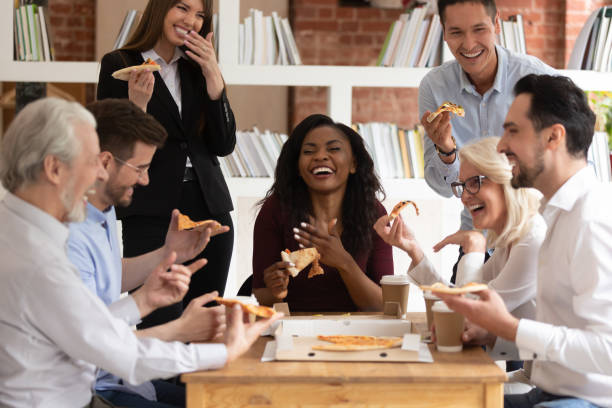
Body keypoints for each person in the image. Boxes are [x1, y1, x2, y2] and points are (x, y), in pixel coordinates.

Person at [0, 97, 280, 408]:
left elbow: (86, 327)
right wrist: (224, 351)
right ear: (54, 169)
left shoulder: (20, 232)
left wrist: (144, 300)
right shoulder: (39, 258)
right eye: (92, 162)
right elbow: (119, 353)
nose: (100, 175)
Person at [437, 74, 612, 407]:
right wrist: (497, 332)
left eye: (513, 131)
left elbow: (607, 352)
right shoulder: (556, 215)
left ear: (553, 137)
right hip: (549, 392)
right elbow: (562, 342)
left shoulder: (592, 218)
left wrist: (510, 327)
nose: (501, 145)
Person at [67, 99, 229, 407]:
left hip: (118, 378)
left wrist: (168, 253)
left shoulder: (99, 213)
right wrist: (180, 329)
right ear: (104, 162)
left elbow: (109, 275)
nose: (145, 180)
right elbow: (92, 347)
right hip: (95, 389)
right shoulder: (70, 235)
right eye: (140, 168)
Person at [97, 0, 236, 329]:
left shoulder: (198, 67)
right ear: (160, 9)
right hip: (151, 209)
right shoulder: (120, 64)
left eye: (200, 15)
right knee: (158, 319)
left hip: (208, 207)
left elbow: (224, 145)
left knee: (205, 318)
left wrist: (214, 78)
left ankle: (200, 383)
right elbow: (111, 148)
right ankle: (164, 385)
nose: (192, 20)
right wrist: (137, 107)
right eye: (182, 8)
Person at [375, 137, 544, 392]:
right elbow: (458, 303)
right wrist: (415, 251)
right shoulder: (509, 240)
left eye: (475, 182)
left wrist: (475, 248)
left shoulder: (532, 240)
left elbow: (469, 317)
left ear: (508, 179)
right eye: (462, 185)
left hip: (552, 389)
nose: (465, 196)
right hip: (530, 377)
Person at [419, 0, 556, 280]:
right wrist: (446, 151)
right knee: (461, 318)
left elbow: (570, 156)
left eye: (479, 29)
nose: (468, 44)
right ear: (444, 33)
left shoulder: (537, 78)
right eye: (456, 32)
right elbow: (443, 188)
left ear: (496, 26)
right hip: (477, 234)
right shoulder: (435, 86)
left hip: (529, 232)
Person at [252, 114, 394, 312]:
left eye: (334, 149)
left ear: (354, 164)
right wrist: (276, 292)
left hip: (358, 334)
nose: (320, 156)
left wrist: (343, 262)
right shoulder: (275, 210)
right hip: (294, 331)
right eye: (309, 151)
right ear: (298, 168)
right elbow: (262, 296)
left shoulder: (374, 213)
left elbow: (383, 305)